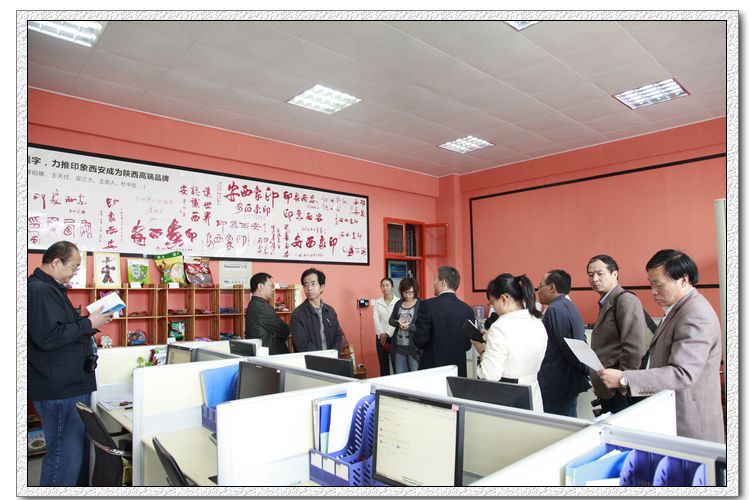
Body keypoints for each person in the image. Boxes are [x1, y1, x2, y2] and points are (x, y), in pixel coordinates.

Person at [597, 249, 724, 443]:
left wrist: (624, 379)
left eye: (659, 284)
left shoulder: (695, 314)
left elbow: (682, 374)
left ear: (683, 280)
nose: (653, 291)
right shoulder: (679, 308)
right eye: (651, 284)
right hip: (672, 415)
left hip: (689, 424)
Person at [28, 241, 113, 486]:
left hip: (69, 384)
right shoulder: (39, 290)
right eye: (73, 267)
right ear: (56, 262)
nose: (74, 273)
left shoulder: (51, 289)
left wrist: (89, 322)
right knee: (63, 456)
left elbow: (62, 329)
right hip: (59, 389)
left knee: (74, 451)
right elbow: (48, 338)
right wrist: (88, 323)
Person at [472, 274, 548, 412]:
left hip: (508, 398)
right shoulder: (537, 323)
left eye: (492, 303)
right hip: (533, 393)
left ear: (504, 299)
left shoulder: (499, 326)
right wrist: (490, 339)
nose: (493, 307)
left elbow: (490, 375)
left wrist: (482, 351)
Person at [586, 255, 647, 414]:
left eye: (600, 273)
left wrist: (623, 384)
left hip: (620, 389)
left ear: (614, 274)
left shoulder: (626, 300)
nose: (595, 279)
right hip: (608, 385)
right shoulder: (606, 301)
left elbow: (634, 348)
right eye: (591, 275)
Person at [536, 269, 590, 417]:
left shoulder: (555, 309)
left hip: (556, 383)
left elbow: (568, 349)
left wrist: (585, 370)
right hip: (566, 382)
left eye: (540, 286)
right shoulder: (568, 305)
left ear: (552, 288)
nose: (538, 291)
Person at [413, 266, 474, 377]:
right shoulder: (468, 310)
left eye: (435, 279)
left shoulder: (427, 305)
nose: (433, 283)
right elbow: (467, 345)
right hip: (457, 371)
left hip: (432, 370)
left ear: (443, 282)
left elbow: (420, 340)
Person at [290, 268, 343, 352]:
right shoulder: (297, 314)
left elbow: (338, 336)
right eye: (306, 285)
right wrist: (322, 357)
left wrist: (333, 354)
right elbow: (302, 344)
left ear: (321, 287)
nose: (309, 288)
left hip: (332, 358)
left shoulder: (330, 311)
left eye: (313, 284)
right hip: (309, 359)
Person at [245, 272, 290, 355]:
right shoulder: (261, 307)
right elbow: (284, 330)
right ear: (260, 286)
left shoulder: (254, 304)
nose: (273, 289)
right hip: (270, 356)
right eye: (271, 286)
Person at [388, 277, 422, 374]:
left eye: (410, 292)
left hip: (414, 348)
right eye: (404, 292)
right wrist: (397, 322)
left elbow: (422, 326)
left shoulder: (420, 304)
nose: (407, 295)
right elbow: (391, 320)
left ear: (415, 291)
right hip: (398, 347)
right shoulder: (398, 304)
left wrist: (409, 327)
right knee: (400, 376)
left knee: (416, 376)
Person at [372, 278, 399, 376]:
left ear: (392, 287)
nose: (385, 288)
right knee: (383, 366)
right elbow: (376, 319)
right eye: (382, 286)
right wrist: (382, 334)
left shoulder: (398, 302)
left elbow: (397, 320)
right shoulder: (377, 302)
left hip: (394, 336)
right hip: (380, 337)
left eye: (387, 285)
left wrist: (387, 334)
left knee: (397, 365)